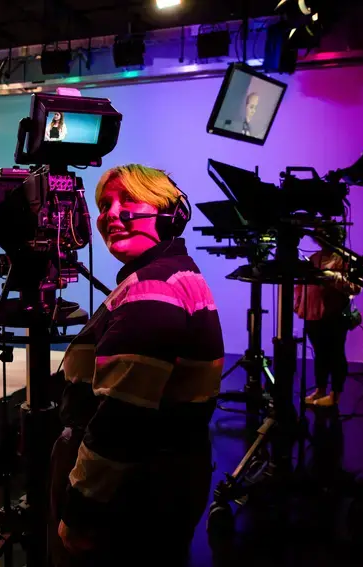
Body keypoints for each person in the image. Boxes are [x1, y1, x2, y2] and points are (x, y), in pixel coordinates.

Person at [47, 164, 224, 567]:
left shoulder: (153, 289)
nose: (112, 214)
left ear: (170, 211)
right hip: (158, 486)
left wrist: (80, 513)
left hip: (128, 498)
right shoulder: (172, 275)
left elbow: (122, 419)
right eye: (104, 205)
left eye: (129, 200)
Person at [295, 225, 361, 407]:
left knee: (335, 354)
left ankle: (335, 395)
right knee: (320, 354)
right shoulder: (314, 259)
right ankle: (320, 389)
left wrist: (333, 278)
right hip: (313, 315)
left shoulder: (346, 260)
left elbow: (356, 287)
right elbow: (301, 285)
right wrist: (298, 303)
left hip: (334, 316)